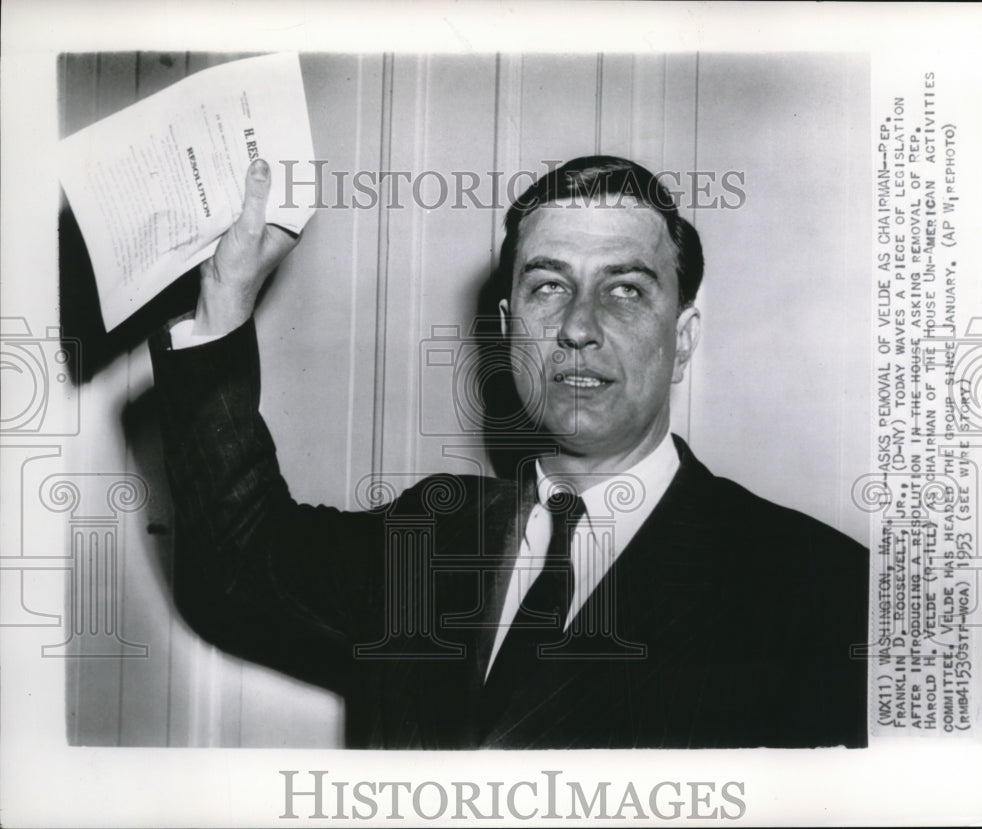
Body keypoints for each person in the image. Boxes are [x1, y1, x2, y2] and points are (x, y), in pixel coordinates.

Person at [150, 155, 869, 749]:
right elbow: (241, 554)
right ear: (506, 329)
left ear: (682, 338)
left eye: (625, 289)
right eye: (549, 286)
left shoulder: (819, 587)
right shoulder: (428, 534)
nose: (579, 326)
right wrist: (226, 293)